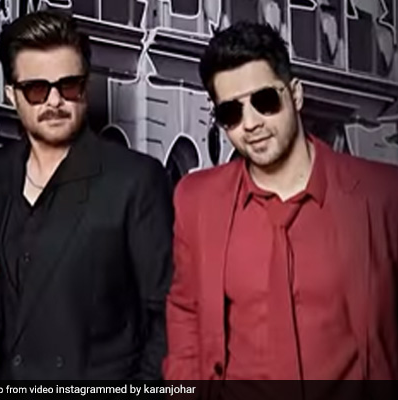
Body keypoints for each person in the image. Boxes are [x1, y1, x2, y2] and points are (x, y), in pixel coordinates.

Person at [164, 21, 398, 399]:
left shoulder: (383, 195)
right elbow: (185, 314)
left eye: (265, 100)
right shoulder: (197, 200)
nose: (251, 123)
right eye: (231, 112)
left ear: (296, 94)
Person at [0, 11, 173, 380]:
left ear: (86, 87)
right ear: (12, 95)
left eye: (69, 86)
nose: (55, 101)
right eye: (36, 89)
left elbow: (167, 317)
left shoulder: (135, 180)